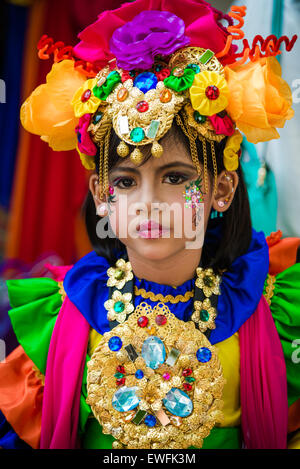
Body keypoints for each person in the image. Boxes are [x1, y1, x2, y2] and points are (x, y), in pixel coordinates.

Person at [0, 0, 299, 450]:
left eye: (175, 178)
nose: (148, 203)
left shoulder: (271, 314)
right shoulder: (64, 318)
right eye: (125, 181)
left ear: (222, 188)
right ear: (102, 196)